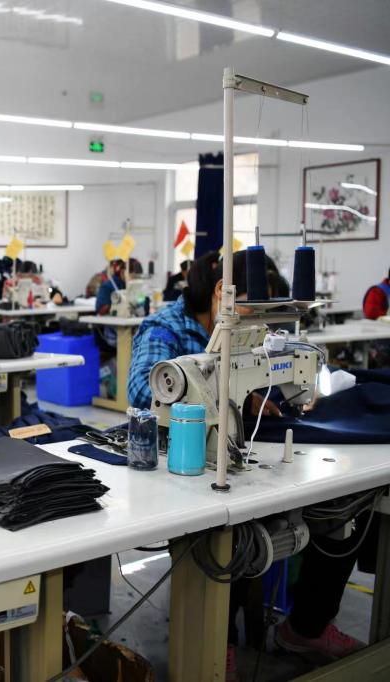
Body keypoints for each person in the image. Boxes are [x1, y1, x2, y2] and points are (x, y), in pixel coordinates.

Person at [129, 251, 364, 674]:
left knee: (348, 506)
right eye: (256, 312)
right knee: (237, 531)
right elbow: (144, 394)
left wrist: (263, 392)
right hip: (176, 461)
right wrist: (222, 395)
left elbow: (266, 365)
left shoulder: (246, 330)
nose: (261, 326)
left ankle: (306, 627)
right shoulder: (163, 328)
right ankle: (216, 643)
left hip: (233, 452)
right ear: (224, 292)